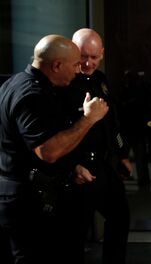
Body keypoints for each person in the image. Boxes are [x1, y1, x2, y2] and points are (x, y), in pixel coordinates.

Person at [0, 35, 108, 263]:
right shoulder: (31, 94)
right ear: (57, 65)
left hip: (31, 194)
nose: (79, 70)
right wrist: (89, 119)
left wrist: (71, 166)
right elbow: (47, 151)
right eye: (76, 64)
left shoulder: (19, 82)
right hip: (25, 202)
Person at [55, 28, 132, 264]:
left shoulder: (100, 80)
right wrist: (70, 166)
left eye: (94, 57)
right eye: (83, 56)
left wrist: (122, 154)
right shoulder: (63, 83)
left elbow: (113, 121)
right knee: (74, 235)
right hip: (76, 170)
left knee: (120, 215)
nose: (88, 63)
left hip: (101, 165)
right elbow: (52, 135)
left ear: (102, 54)